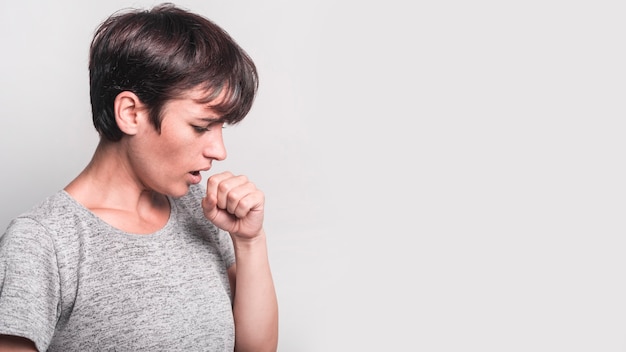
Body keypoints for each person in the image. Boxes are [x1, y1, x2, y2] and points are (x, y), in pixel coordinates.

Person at [0, 3, 278, 351]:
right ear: (131, 113)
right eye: (201, 126)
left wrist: (250, 242)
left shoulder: (200, 210)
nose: (219, 151)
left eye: (221, 128)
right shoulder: (42, 242)